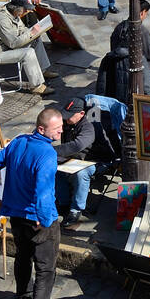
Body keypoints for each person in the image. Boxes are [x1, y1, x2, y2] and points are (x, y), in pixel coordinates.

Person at [0, 107, 64, 299]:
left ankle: (24, 294)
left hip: (16, 215)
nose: (60, 133)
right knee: (46, 270)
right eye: (57, 129)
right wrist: (44, 218)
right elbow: (43, 192)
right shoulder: (47, 154)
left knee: (23, 255)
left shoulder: (18, 143)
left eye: (61, 128)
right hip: (38, 219)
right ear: (41, 128)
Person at [0, 0, 53, 94]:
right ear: (17, 8)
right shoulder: (2, 20)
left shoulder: (15, 15)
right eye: (25, 9)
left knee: (36, 40)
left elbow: (22, 30)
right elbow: (13, 43)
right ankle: (36, 86)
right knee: (28, 53)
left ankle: (43, 70)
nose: (27, 11)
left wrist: (33, 33)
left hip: (6, 47)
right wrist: (31, 33)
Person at [54, 97, 98, 228]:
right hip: (70, 159)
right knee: (54, 168)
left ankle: (76, 210)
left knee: (81, 174)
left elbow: (76, 146)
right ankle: (63, 203)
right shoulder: (67, 122)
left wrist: (52, 150)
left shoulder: (88, 128)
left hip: (89, 162)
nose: (66, 119)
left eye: (70, 116)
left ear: (82, 114)